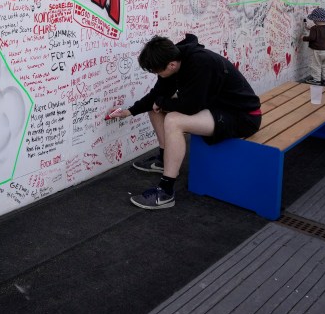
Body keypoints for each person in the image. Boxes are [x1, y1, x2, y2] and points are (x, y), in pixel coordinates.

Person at [105, 34, 261, 210]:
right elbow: (157, 96)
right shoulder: (173, 61)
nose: (158, 75)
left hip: (242, 116)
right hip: (217, 107)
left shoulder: (201, 63)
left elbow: (191, 107)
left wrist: (162, 103)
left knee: (173, 120)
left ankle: (165, 191)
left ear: (171, 65)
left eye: (157, 72)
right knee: (156, 107)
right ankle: (164, 159)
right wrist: (128, 112)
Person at [301, 7, 325, 85]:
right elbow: (321, 33)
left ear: (314, 20)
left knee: (315, 65)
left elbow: (312, 38)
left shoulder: (314, 28)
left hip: (318, 51)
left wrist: (304, 38)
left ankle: (316, 80)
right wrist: (311, 29)